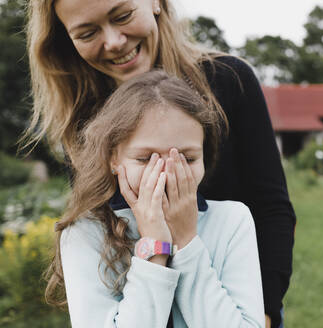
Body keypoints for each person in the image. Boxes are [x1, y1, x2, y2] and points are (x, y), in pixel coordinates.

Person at [25, 0, 296, 326]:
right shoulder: (83, 114)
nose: (113, 42)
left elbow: (271, 207)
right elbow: (94, 216)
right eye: (87, 33)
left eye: (122, 16)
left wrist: (263, 312)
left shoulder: (227, 80)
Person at [47, 71, 264, 327]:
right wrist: (154, 248)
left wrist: (186, 241)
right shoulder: (84, 234)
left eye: (188, 158)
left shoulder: (232, 221)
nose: (166, 173)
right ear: (113, 159)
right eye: (145, 158)